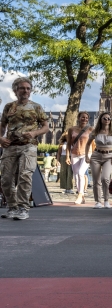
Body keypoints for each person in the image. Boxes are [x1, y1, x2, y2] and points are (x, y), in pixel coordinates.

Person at [0, 77, 49, 221]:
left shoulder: (36, 107)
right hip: (10, 146)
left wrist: (35, 133)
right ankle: (12, 207)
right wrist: (1, 138)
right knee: (6, 179)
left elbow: (46, 127)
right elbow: (2, 125)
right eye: (22, 88)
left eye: (28, 88)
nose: (25, 91)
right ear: (15, 90)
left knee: (25, 175)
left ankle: (23, 208)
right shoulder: (9, 107)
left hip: (29, 146)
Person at [85, 112, 112, 209]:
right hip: (96, 156)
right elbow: (88, 144)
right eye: (105, 118)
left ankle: (106, 200)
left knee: (105, 178)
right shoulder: (95, 132)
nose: (107, 120)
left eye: (109, 118)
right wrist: (86, 156)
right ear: (101, 120)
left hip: (109, 156)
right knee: (96, 180)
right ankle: (98, 201)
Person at [65, 111, 94, 205]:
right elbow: (68, 144)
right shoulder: (71, 129)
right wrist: (67, 156)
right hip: (74, 154)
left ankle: (80, 195)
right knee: (76, 175)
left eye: (86, 118)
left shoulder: (91, 129)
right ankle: (81, 196)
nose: (85, 119)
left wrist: (93, 155)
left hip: (86, 154)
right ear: (78, 118)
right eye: (83, 117)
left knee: (81, 173)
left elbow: (94, 144)